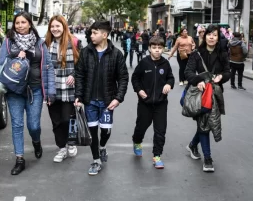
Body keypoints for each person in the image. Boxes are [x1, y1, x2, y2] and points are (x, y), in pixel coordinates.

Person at [0, 11, 56, 175]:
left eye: (23, 22)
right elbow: (0, 64)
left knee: (34, 125)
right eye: (17, 23)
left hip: (35, 90)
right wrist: (15, 56)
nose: (20, 26)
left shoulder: (39, 43)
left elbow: (48, 67)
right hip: (14, 91)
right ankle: (20, 159)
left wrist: (50, 91)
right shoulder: (9, 42)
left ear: (30, 24)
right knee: (17, 125)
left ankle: (36, 141)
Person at [74, 21, 129, 176]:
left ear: (104, 35)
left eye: (95, 33)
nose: (91, 35)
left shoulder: (116, 54)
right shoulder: (85, 52)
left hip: (107, 101)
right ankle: (96, 160)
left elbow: (123, 78)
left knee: (105, 130)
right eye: (91, 33)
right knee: (92, 131)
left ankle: (102, 146)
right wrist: (79, 95)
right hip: (89, 100)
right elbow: (79, 75)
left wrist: (118, 98)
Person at [184, 24, 231, 172]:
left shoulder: (223, 54)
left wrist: (221, 77)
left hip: (215, 94)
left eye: (215, 35)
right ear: (204, 36)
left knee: (206, 123)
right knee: (205, 124)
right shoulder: (197, 53)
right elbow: (188, 72)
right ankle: (208, 158)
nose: (211, 37)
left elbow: (228, 72)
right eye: (209, 34)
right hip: (200, 94)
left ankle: (192, 145)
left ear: (218, 38)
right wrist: (198, 81)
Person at [131, 36, 175, 169]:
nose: (157, 50)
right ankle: (137, 141)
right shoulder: (144, 63)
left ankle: (157, 156)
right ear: (149, 48)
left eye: (159, 48)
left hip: (161, 103)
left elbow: (171, 78)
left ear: (163, 49)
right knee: (141, 126)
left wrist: (169, 84)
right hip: (145, 103)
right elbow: (135, 79)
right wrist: (139, 91)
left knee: (160, 130)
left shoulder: (165, 64)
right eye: (154, 48)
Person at [45, 15, 82, 163]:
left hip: (69, 88)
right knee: (56, 122)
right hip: (52, 87)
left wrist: (74, 74)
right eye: (52, 26)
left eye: (57, 26)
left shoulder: (75, 42)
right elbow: (43, 67)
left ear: (64, 26)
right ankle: (61, 148)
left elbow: (82, 64)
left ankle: (71, 142)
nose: (55, 29)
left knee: (68, 119)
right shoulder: (46, 44)